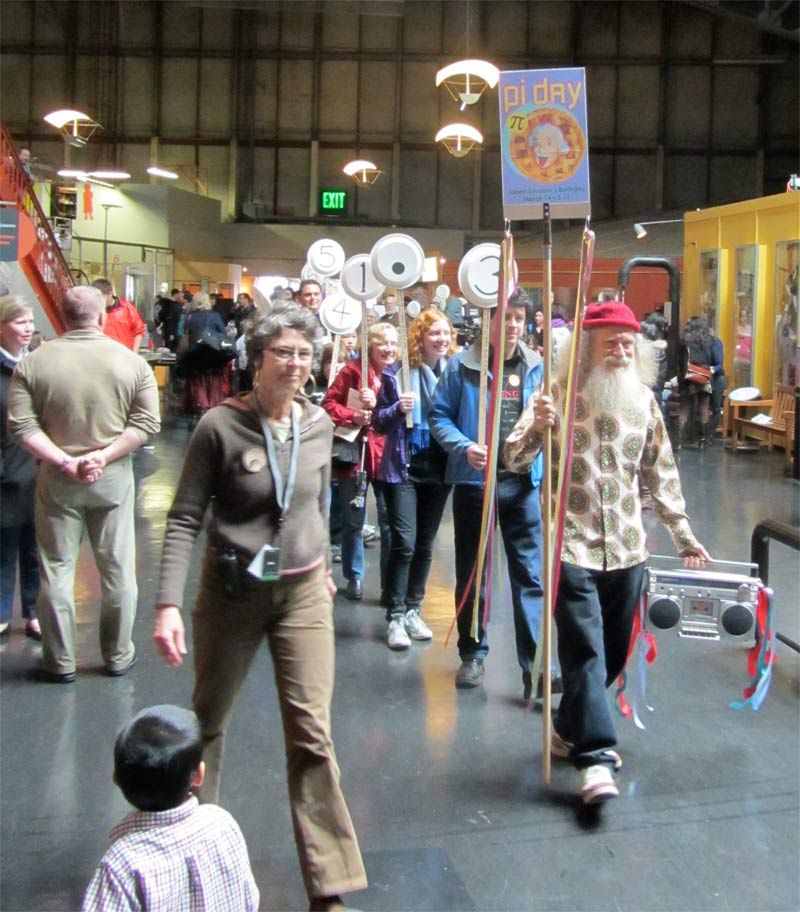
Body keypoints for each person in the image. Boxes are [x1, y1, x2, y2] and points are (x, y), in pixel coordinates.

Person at [153, 305, 367, 911]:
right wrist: (168, 603)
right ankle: (198, 870)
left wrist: (322, 567)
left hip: (301, 596)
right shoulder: (218, 427)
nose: (295, 364)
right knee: (207, 727)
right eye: (284, 353)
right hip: (230, 596)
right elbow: (184, 519)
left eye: (305, 354)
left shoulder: (320, 424)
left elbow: (318, 506)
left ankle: (330, 887)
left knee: (313, 736)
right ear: (257, 357)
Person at [504, 299, 711, 805]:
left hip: (627, 547)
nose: (620, 351)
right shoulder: (553, 396)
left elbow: (659, 473)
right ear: (587, 350)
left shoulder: (644, 401)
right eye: (610, 343)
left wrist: (683, 534)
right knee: (584, 650)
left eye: (627, 343)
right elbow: (512, 458)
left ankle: (569, 724)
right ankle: (595, 759)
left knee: (613, 652)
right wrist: (537, 426)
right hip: (568, 543)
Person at [7, 286, 160, 682]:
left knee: (56, 570)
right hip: (112, 481)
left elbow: (21, 425)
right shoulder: (131, 363)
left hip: (57, 480)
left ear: (61, 315)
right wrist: (103, 456)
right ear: (102, 316)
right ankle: (118, 656)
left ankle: (59, 662)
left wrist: (64, 460)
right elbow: (146, 424)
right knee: (118, 570)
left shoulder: (34, 364)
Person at [429, 290, 549, 697]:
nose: (512, 324)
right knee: (474, 572)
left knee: (530, 575)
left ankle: (534, 667)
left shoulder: (538, 367)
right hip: (475, 483)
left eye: (519, 317)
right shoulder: (464, 367)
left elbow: (553, 419)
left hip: (522, 482)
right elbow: (438, 416)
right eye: (505, 317)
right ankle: (473, 654)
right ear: (490, 321)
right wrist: (464, 447)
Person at [82, 704, 259, 912]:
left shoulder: (122, 865)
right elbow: (249, 902)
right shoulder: (223, 825)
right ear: (199, 775)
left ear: (116, 779)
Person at [372, 310, 456, 649]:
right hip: (405, 467)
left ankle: (412, 609)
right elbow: (377, 422)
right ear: (419, 338)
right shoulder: (397, 374)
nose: (441, 339)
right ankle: (394, 615)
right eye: (433, 333)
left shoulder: (455, 375)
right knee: (404, 543)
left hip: (440, 469)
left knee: (424, 544)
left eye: (445, 333)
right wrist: (398, 410)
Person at [321, 323, 394, 603]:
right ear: (370, 346)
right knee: (354, 517)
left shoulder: (397, 374)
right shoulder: (351, 372)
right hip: (357, 455)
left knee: (389, 520)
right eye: (382, 342)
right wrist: (353, 416)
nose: (388, 348)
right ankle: (355, 575)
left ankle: (391, 583)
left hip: (388, 455)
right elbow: (329, 405)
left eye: (392, 342)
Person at [0, 296, 40, 640]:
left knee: (35, 543)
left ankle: (34, 609)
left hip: (37, 469)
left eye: (30, 322)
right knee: (3, 541)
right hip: (5, 471)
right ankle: (1, 611)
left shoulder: (38, 364)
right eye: (19, 322)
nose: (27, 329)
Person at [179, 292, 232, 423]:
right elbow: (222, 334)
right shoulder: (215, 316)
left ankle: (198, 405)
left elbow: (185, 333)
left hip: (195, 353)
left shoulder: (190, 317)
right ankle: (212, 406)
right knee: (213, 381)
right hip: (212, 354)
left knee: (197, 380)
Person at [677, 315, 715, 449]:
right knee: (704, 408)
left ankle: (679, 441)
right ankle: (703, 441)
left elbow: (680, 360)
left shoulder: (684, 341)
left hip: (688, 376)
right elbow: (711, 359)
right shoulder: (708, 341)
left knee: (684, 409)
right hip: (703, 376)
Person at [92, 279, 146, 352]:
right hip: (101, 355)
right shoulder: (92, 311)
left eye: (102, 297)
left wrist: (134, 353)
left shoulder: (126, 308)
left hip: (125, 355)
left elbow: (139, 331)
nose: (99, 301)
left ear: (110, 293)